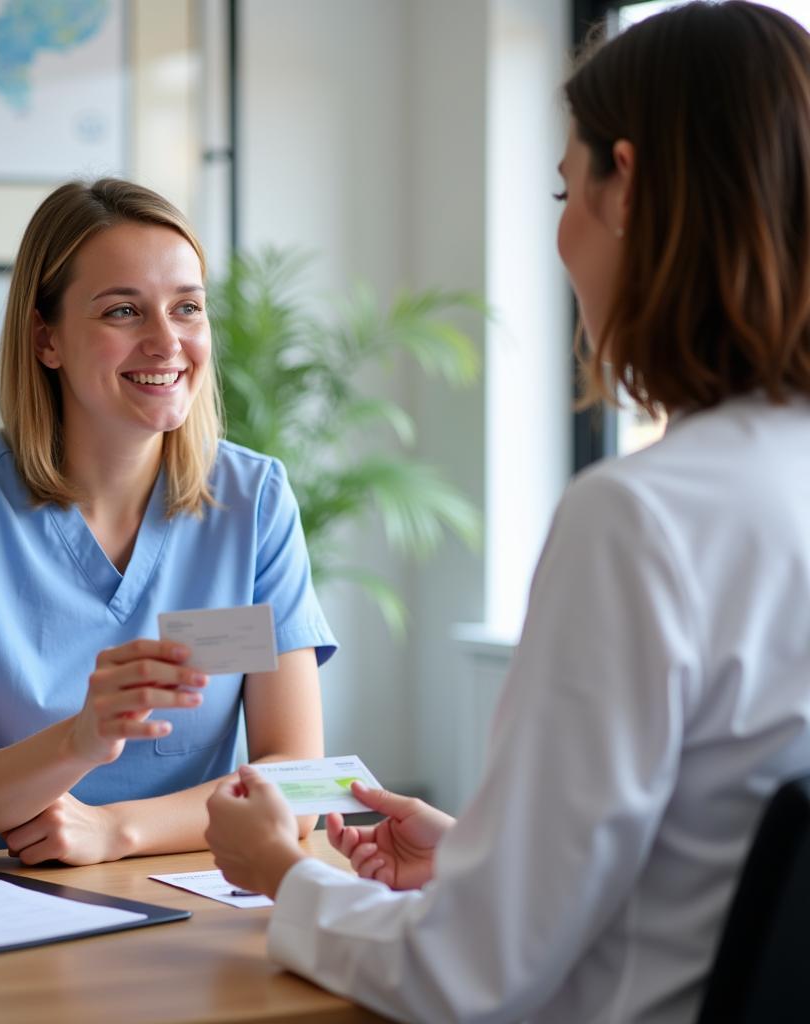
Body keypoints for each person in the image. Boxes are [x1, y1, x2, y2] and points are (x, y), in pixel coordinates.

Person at [204, 3, 810, 1021]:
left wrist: (286, 875)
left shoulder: (644, 518)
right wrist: (483, 856)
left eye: (566, 190)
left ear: (629, 192)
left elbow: (471, 976)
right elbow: (713, 859)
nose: (561, 234)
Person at [0, 178, 335, 863]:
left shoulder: (253, 499)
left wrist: (116, 831)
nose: (167, 342)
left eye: (188, 308)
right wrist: (80, 739)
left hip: (164, 895)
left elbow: (295, 786)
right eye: (122, 312)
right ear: (46, 339)